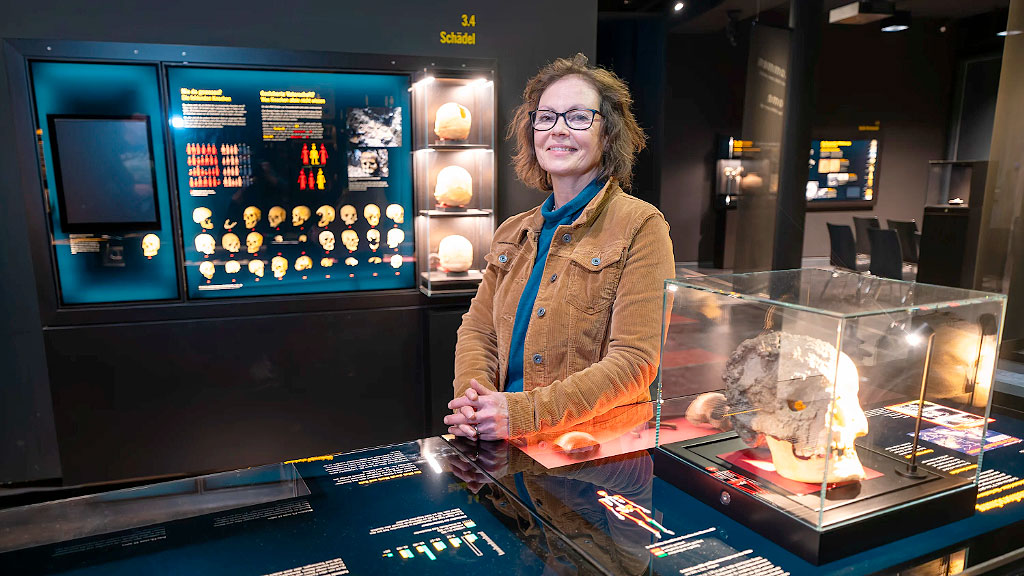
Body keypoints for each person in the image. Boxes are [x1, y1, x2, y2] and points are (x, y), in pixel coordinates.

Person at [445, 53, 675, 441]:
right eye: (547, 117)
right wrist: (473, 403)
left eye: (578, 117)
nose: (559, 130)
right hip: (502, 438)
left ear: (608, 133)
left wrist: (524, 413)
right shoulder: (513, 232)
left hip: (589, 450)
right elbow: (478, 331)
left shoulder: (640, 226)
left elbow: (635, 362)